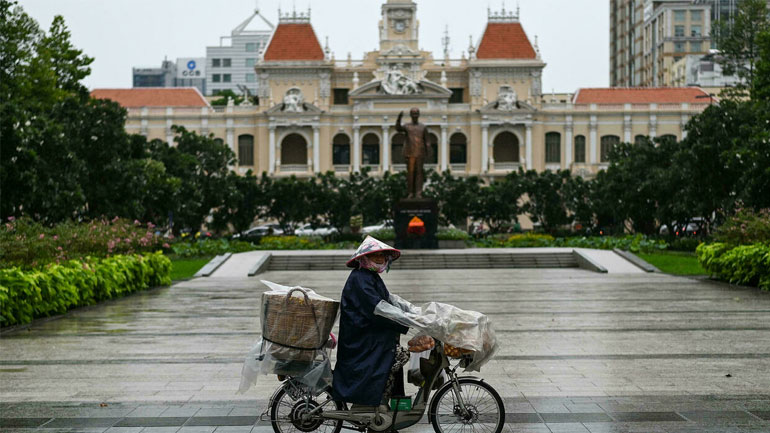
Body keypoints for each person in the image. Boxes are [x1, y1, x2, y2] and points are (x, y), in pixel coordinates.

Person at [332, 236, 410, 408]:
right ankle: (376, 403)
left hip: (370, 335)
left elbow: (390, 300)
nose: (381, 259)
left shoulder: (370, 276)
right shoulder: (360, 278)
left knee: (397, 354)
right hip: (361, 340)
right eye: (376, 256)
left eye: (383, 256)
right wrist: (405, 320)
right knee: (398, 355)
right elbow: (378, 308)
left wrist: (414, 312)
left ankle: (385, 404)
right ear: (364, 258)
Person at [395, 108, 428, 198]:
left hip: (420, 153)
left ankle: (418, 192)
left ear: (419, 114)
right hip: (410, 153)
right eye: (413, 113)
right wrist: (399, 119)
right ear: (410, 115)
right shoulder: (407, 126)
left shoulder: (423, 127)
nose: (415, 115)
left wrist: (428, 151)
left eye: (416, 113)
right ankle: (410, 192)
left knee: (419, 173)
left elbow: (427, 141)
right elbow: (398, 129)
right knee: (410, 173)